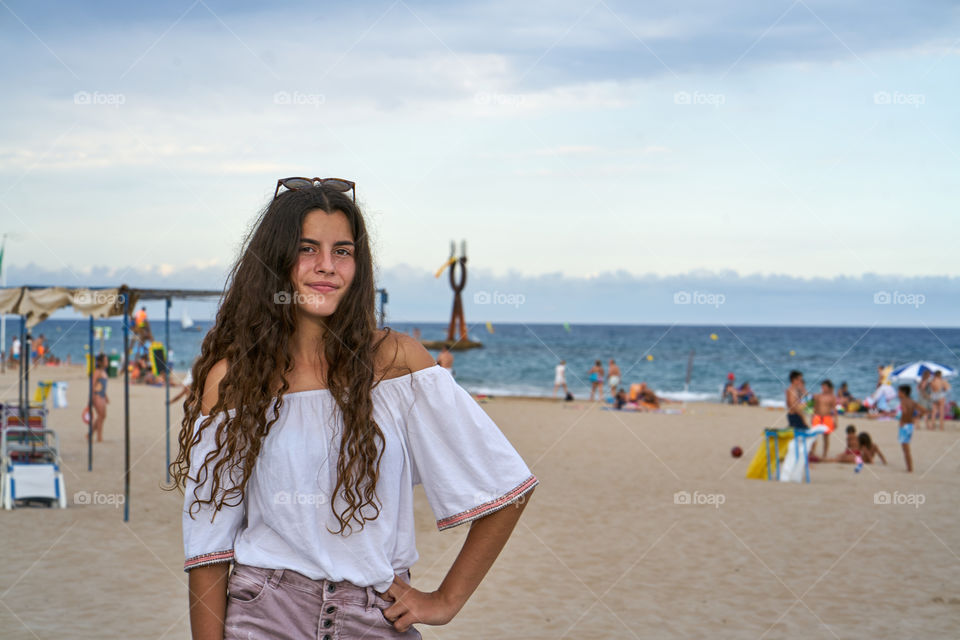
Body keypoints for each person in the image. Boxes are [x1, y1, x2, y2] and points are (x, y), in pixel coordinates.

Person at [169, 178, 537, 640]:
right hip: (265, 613)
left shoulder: (399, 364)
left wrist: (445, 600)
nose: (326, 267)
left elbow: (506, 485)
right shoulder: (234, 380)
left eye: (342, 251)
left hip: (375, 619)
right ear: (274, 261)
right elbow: (209, 542)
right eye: (307, 249)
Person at [897, 384, 925, 473]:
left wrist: (902, 421)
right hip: (910, 426)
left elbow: (904, 411)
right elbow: (923, 410)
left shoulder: (903, 401)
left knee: (905, 449)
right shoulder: (912, 401)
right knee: (906, 447)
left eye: (899, 392)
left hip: (904, 426)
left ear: (903, 393)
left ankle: (909, 468)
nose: (898, 394)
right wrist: (916, 417)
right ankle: (909, 467)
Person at [809, 380, 838, 459]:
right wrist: (812, 417)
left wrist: (836, 420)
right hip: (818, 417)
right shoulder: (818, 396)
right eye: (822, 387)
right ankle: (812, 452)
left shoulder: (832, 397)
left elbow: (834, 410)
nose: (823, 388)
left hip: (827, 417)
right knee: (813, 436)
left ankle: (824, 454)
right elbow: (814, 407)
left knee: (826, 437)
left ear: (828, 388)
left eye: (824, 387)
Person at [88, 354, 109, 442]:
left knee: (103, 416)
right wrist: (92, 398)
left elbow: (102, 385)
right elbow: (92, 385)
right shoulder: (97, 372)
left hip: (102, 395)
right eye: (105, 360)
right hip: (97, 395)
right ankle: (99, 437)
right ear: (100, 362)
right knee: (100, 416)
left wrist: (106, 396)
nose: (107, 362)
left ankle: (90, 434)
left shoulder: (103, 371)